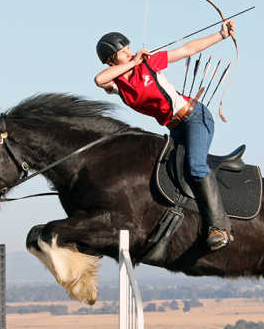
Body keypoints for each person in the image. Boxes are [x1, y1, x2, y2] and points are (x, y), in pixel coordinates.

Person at [94, 19, 236, 251]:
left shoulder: (149, 64)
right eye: (123, 51)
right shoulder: (118, 82)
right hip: (174, 128)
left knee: (195, 166)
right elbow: (100, 79)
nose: (130, 52)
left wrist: (221, 35)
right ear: (112, 60)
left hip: (195, 117)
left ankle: (220, 227)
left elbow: (186, 50)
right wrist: (133, 63)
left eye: (129, 48)